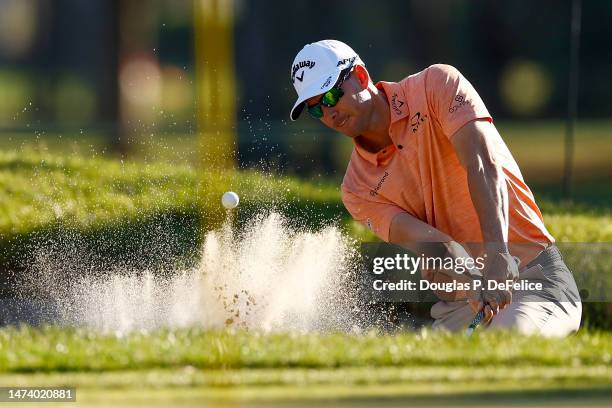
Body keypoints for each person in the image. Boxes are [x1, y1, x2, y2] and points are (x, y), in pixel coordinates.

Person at [289, 39, 582, 336]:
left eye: (330, 96)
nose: (329, 113)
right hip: (462, 303)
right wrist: (474, 281)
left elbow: (481, 164)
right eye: (315, 110)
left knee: (509, 341)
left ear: (361, 77)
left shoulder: (436, 85)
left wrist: (497, 254)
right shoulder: (356, 189)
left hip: (533, 278)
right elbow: (434, 244)